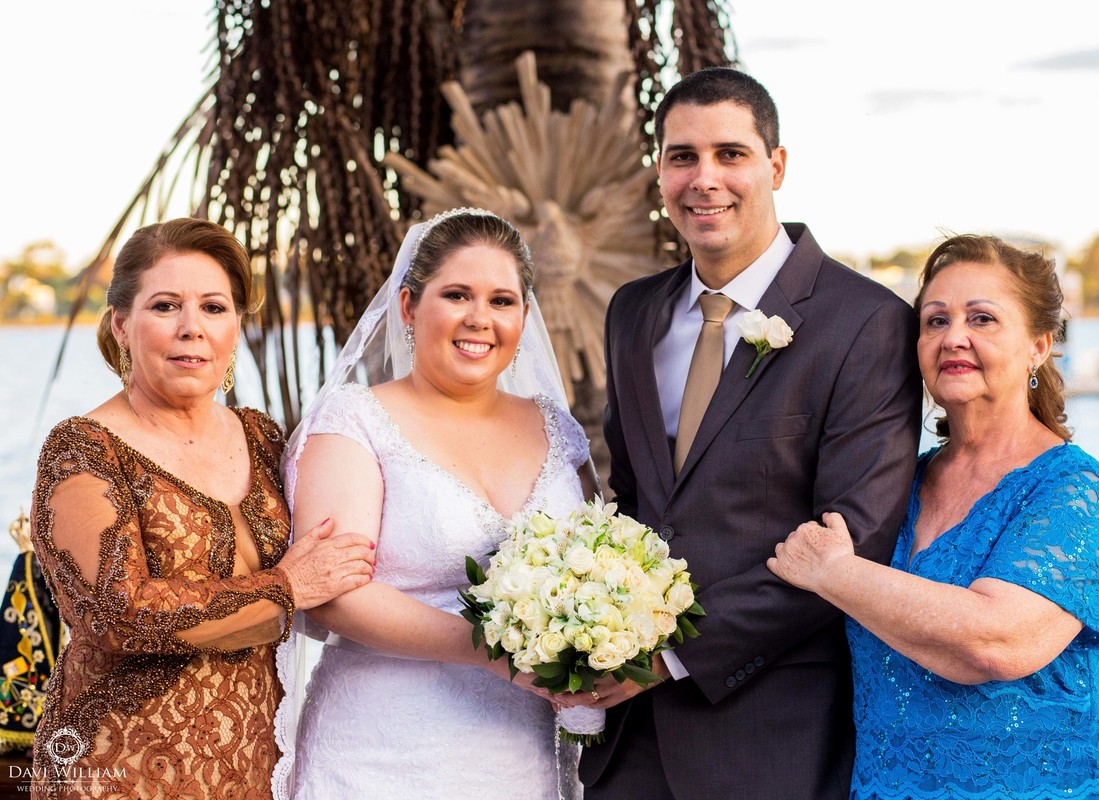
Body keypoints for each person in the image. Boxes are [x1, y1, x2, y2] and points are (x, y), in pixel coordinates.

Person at [578, 67, 922, 800]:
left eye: (730, 154)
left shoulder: (866, 322)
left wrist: (662, 658)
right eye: (682, 157)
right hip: (627, 744)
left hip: (774, 737)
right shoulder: (632, 312)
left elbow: (854, 538)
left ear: (777, 165)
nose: (704, 179)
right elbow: (636, 501)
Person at [768, 234, 1099, 799]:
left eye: (983, 318)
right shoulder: (900, 482)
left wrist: (834, 573)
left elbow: (996, 642)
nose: (954, 338)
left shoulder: (1071, 488)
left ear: (1039, 346)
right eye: (935, 320)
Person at [29, 218, 376, 800]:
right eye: (166, 306)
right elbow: (117, 616)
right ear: (121, 325)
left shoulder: (263, 437)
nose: (193, 328)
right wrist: (284, 589)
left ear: (236, 327)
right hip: (117, 769)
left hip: (250, 768)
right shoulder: (85, 448)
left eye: (214, 308)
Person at [273, 209, 591, 799]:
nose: (480, 319)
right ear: (408, 308)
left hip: (518, 754)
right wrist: (498, 653)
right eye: (457, 294)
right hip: (383, 750)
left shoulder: (558, 430)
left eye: (503, 300)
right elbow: (333, 596)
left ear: (525, 316)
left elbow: (599, 564)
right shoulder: (353, 422)